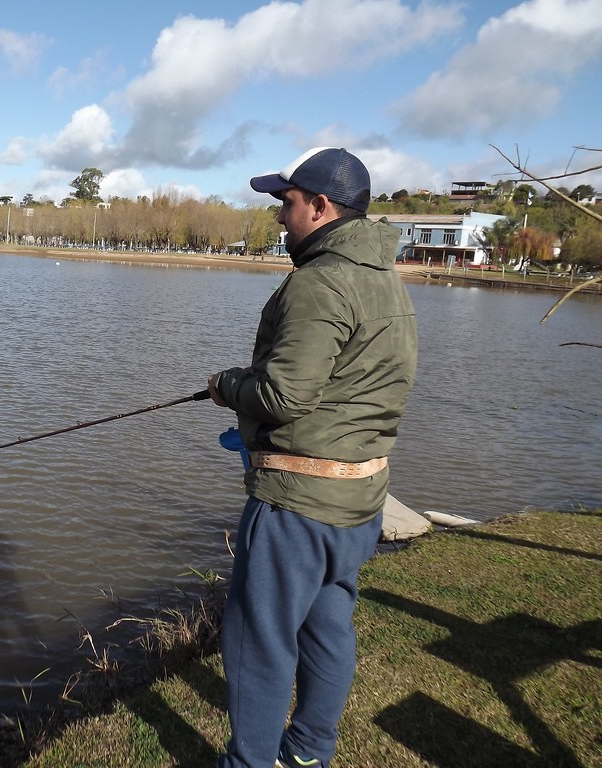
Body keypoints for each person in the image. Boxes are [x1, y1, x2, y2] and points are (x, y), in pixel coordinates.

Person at [208, 147, 418, 768]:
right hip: (360, 499)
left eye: (287, 202)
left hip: (299, 505)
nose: (280, 216)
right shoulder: (385, 280)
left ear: (321, 206)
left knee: (258, 642)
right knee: (328, 629)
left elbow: (284, 395)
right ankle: (308, 754)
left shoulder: (320, 282)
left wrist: (228, 387)